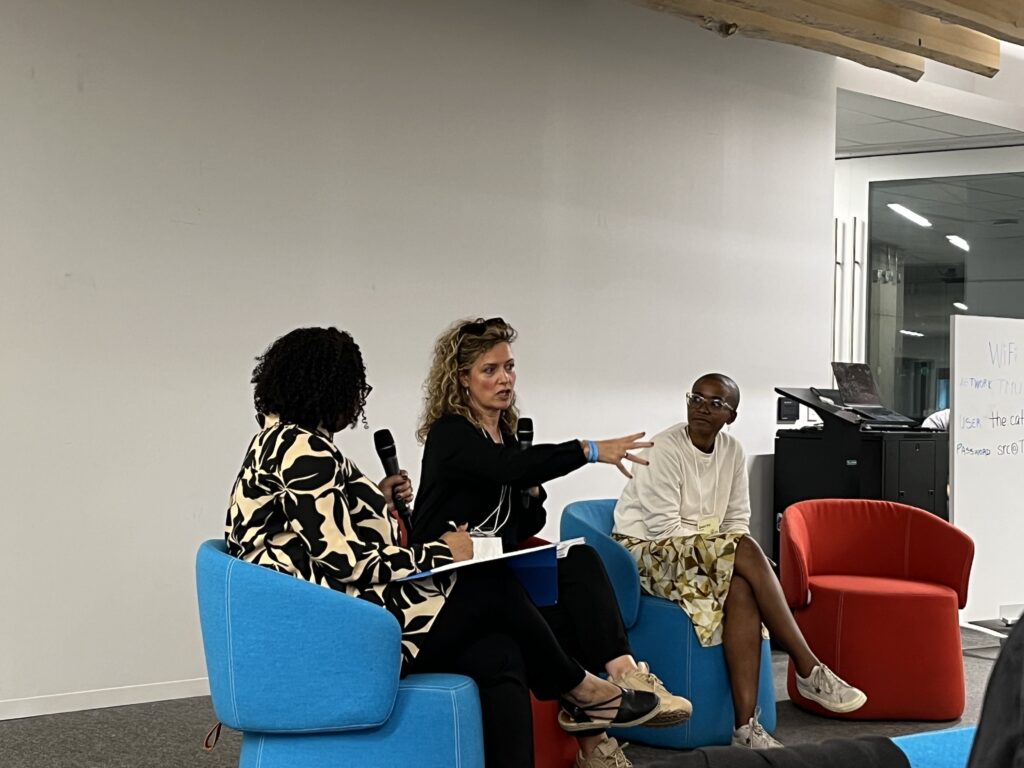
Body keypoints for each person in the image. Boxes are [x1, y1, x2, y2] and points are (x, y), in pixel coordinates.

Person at [224, 327, 662, 768]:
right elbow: (349, 561)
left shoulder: (281, 442)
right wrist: (445, 551)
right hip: (337, 633)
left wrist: (375, 499)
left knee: (501, 653)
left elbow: (322, 538)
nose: (358, 401)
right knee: (488, 583)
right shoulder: (303, 449)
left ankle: (584, 693)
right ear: (331, 387)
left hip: (330, 618)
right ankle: (584, 689)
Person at [412, 317, 692, 768]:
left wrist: (532, 494)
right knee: (518, 616)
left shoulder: (505, 433)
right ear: (462, 379)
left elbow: (517, 519)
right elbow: (505, 471)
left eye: (509, 367)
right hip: (449, 588)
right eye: (490, 370)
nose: (505, 379)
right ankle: (590, 709)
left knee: (578, 561)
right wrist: (588, 450)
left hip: (497, 574)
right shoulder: (451, 434)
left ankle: (625, 676)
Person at [613, 373, 868, 749]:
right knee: (745, 550)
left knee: (743, 587)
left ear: (731, 415)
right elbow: (664, 528)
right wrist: (726, 548)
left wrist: (724, 549)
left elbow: (737, 520)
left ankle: (745, 729)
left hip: (699, 551)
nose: (702, 408)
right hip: (647, 552)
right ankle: (808, 666)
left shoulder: (731, 450)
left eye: (716, 403)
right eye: (696, 398)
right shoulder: (664, 448)